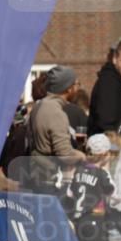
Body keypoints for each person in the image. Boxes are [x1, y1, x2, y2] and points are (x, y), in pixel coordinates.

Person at [66, 133, 115, 241]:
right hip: (96, 221)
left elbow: (70, 193)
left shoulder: (78, 170)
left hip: (79, 221)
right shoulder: (101, 173)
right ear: (104, 155)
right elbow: (114, 194)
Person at [28, 65, 85, 193]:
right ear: (69, 89)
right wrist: (82, 156)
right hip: (50, 181)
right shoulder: (56, 113)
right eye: (76, 84)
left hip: (38, 176)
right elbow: (65, 154)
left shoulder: (39, 106)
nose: (78, 88)